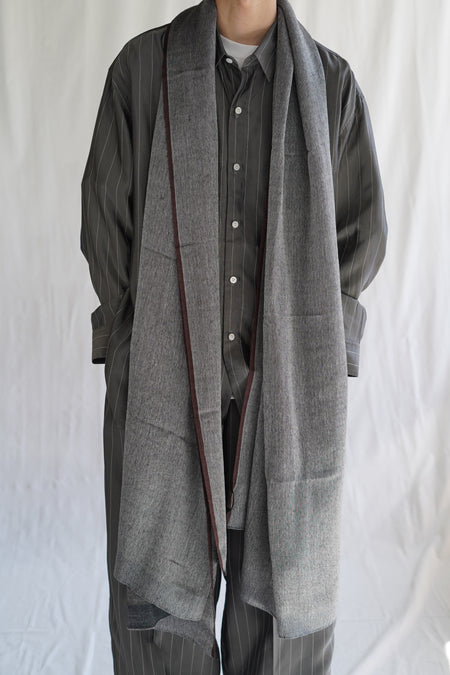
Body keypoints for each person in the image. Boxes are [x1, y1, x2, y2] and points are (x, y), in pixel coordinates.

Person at [80, 0, 388, 672]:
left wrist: (317, 353)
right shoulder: (143, 71)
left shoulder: (330, 87)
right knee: (160, 629)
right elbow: (106, 226)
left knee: (281, 629)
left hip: (284, 409)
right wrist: (133, 350)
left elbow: (359, 233)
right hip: (159, 401)